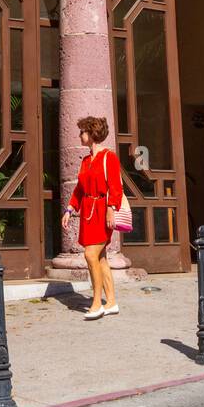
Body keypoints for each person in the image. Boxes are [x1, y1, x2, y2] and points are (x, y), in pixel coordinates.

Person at [61, 115, 123, 319]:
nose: (80, 135)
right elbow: (79, 189)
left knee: (90, 255)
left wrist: (111, 208)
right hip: (88, 211)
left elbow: (115, 186)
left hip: (103, 211)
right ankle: (111, 302)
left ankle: (97, 302)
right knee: (101, 258)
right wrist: (70, 210)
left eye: (82, 131)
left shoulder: (109, 157)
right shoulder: (86, 160)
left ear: (92, 133)